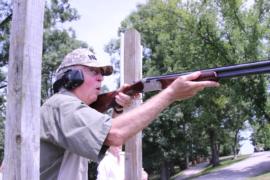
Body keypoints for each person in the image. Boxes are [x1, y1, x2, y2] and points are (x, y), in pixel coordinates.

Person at [40, 48, 219, 180]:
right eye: (93, 71)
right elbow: (114, 135)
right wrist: (170, 94)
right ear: (72, 76)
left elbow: (109, 142)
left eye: (101, 74)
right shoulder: (61, 104)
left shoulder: (64, 109)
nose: (101, 78)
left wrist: (117, 108)